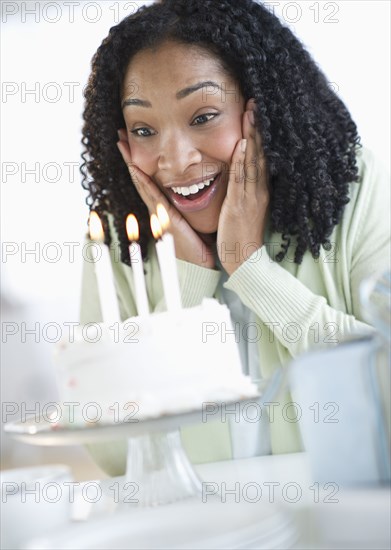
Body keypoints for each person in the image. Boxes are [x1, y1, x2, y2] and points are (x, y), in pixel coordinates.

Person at [79, 0, 390, 475]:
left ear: (262, 107)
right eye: (145, 129)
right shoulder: (119, 235)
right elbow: (113, 455)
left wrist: (251, 269)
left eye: (203, 116)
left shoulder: (354, 188)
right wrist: (185, 282)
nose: (176, 159)